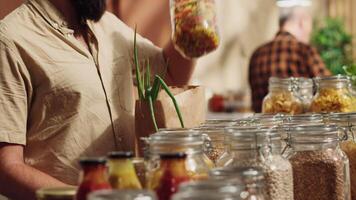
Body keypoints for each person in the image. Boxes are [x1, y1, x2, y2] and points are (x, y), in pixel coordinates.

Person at [0, 0, 195, 199]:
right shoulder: (11, 39)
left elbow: (169, 76)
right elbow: (6, 168)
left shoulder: (106, 25)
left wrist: (192, 30)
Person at [248, 5, 331, 113]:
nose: (309, 33)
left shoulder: (256, 54)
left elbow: (255, 102)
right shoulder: (303, 50)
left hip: (263, 128)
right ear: (302, 22)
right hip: (302, 128)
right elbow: (330, 88)